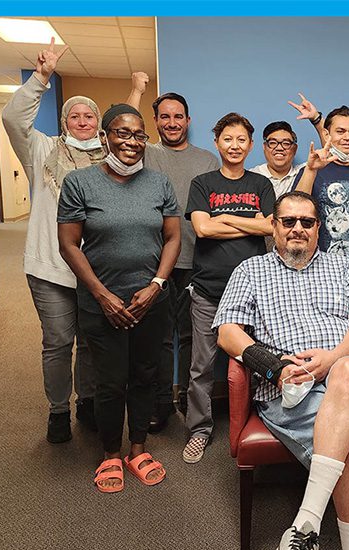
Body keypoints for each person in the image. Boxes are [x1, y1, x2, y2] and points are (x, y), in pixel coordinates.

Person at [215, 192, 349, 550]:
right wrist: (274, 368)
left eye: (306, 222)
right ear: (274, 226)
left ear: (318, 229)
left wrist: (331, 359)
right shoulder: (250, 271)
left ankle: (305, 523)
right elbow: (228, 333)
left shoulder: (341, 267)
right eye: (289, 221)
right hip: (289, 386)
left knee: (348, 369)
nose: (297, 229)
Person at [56, 104, 181, 492]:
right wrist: (103, 295)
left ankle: (138, 448)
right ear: (105, 136)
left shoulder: (159, 183)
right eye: (122, 134)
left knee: (145, 375)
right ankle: (111, 454)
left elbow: (173, 237)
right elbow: (68, 243)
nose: (131, 142)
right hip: (101, 303)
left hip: (151, 300)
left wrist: (157, 284)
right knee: (109, 382)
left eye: (139, 135)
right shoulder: (80, 183)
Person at [2, 37, 100, 443]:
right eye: (73, 115)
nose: (81, 120)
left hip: (98, 270)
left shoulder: (114, 157)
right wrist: (41, 77)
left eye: (88, 115)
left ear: (97, 122)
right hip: (50, 266)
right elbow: (12, 119)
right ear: (64, 122)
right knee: (59, 342)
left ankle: (88, 401)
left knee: (93, 342)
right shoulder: (42, 150)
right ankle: (59, 409)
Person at [126, 74, 220, 430]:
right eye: (164, 117)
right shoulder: (146, 153)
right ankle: (161, 403)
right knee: (159, 339)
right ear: (154, 123)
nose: (171, 122)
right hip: (158, 263)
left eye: (178, 116)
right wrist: (136, 90)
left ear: (188, 120)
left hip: (198, 261)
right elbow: (122, 121)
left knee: (192, 337)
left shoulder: (207, 160)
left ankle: (188, 400)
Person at [183, 112, 276, 463]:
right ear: (217, 143)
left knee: (257, 359)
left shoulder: (260, 185)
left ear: (250, 145)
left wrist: (222, 218)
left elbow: (269, 228)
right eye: (228, 139)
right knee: (201, 366)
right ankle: (199, 430)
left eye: (241, 140)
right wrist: (248, 224)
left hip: (252, 291)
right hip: (208, 289)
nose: (235, 145)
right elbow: (202, 230)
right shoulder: (202, 183)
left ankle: (263, 420)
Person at [291, 105, 349, 297]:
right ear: (327, 134)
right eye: (340, 131)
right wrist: (311, 170)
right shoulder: (312, 169)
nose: (347, 138)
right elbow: (295, 208)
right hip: (318, 273)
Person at [251, 121, 306, 196]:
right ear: (264, 147)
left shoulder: (304, 174)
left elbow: (327, 153)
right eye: (273, 143)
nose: (279, 148)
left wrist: (316, 119)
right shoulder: (252, 176)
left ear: (295, 149)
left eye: (286, 143)